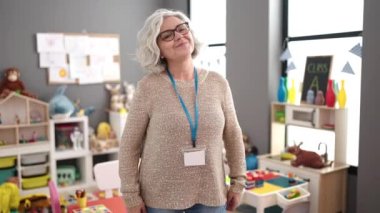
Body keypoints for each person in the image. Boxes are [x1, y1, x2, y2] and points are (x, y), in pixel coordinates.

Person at [119, 8, 246, 213]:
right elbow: (129, 146)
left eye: (182, 29)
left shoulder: (217, 83)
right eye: (167, 35)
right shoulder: (148, 87)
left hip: (212, 194)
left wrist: (239, 183)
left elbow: (233, 135)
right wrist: (131, 196)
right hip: (160, 199)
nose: (178, 36)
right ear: (156, 48)